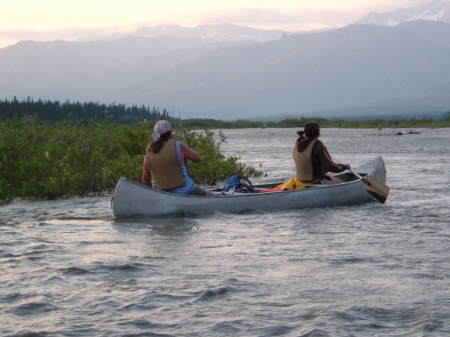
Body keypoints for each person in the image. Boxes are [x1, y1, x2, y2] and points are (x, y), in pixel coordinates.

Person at [141, 120, 210, 195]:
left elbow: (145, 180)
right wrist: (185, 149)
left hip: (161, 195)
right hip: (187, 191)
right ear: (170, 132)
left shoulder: (148, 154)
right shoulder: (179, 146)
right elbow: (198, 159)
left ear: (155, 134)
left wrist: (154, 193)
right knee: (210, 194)